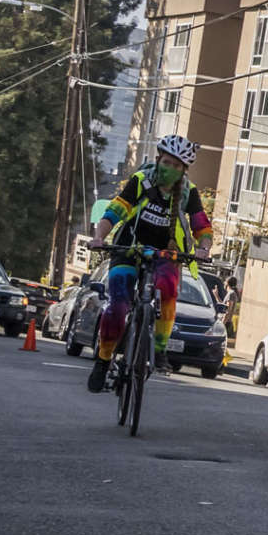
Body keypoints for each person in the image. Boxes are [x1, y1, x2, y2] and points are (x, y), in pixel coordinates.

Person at [87, 133, 212, 391]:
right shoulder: (141, 181)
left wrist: (204, 248)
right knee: (118, 307)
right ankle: (103, 360)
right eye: (167, 162)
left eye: (177, 166)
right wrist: (99, 236)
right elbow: (115, 210)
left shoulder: (188, 192)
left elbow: (201, 223)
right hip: (128, 249)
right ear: (158, 159)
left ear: (184, 170)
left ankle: (159, 348)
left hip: (166, 254)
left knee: (167, 289)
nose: (170, 169)